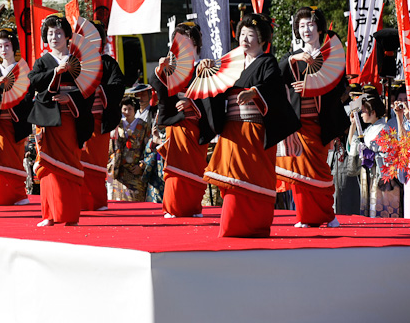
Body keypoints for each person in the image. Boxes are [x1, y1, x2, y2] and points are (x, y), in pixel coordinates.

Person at [202, 14, 300, 237]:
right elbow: (216, 88)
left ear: (262, 39)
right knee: (232, 181)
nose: (245, 39)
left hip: (254, 130)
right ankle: (231, 225)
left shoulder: (267, 62)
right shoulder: (231, 62)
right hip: (232, 130)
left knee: (253, 177)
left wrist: (255, 92)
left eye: (252, 35)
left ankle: (255, 224)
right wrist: (207, 71)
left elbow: (274, 88)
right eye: (243, 34)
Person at [275, 7, 349, 228]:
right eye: (301, 26)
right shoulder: (292, 56)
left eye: (310, 24)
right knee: (299, 171)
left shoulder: (330, 56)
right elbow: (277, 78)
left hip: (321, 121)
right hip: (298, 124)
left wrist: (314, 87)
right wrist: (293, 59)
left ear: (319, 28)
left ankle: (327, 214)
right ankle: (305, 217)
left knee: (320, 168)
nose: (306, 29)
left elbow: (340, 88)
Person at [28, 14, 95, 226]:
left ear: (67, 36)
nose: (54, 37)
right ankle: (49, 214)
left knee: (69, 166)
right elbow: (33, 82)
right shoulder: (42, 62)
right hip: (48, 120)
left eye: (58, 33)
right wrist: (54, 72)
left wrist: (71, 98)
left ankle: (69, 215)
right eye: (50, 34)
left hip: (71, 120)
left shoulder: (79, 61)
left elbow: (89, 90)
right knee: (48, 166)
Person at [150, 23, 216, 217]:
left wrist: (192, 103)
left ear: (195, 43)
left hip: (196, 124)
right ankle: (172, 207)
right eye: (177, 41)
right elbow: (159, 91)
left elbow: (213, 97)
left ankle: (194, 206)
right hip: (177, 124)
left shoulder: (205, 66)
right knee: (174, 168)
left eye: (185, 40)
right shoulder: (173, 66)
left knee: (194, 169)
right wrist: (161, 70)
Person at [0, 29, 33, 206]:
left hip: (15, 122)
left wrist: (9, 104)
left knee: (15, 159)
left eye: (7, 45)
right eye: (0, 46)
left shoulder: (22, 70)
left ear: (14, 48)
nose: (4, 49)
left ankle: (19, 195)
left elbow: (27, 95)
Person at [80, 21, 125, 211]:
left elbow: (118, 84)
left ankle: (97, 201)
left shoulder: (107, 62)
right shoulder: (75, 62)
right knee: (78, 161)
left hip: (98, 121)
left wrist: (100, 90)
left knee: (95, 163)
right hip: (77, 120)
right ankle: (80, 201)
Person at [347, 91, 401, 218]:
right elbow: (352, 147)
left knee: (380, 207)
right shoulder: (370, 129)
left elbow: (390, 154)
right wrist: (353, 125)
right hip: (370, 174)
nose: (362, 114)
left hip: (380, 174)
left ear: (373, 112)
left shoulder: (384, 128)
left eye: (364, 111)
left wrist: (372, 154)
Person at [108, 97, 150, 201]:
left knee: (136, 200)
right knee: (119, 201)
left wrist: (142, 165)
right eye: (124, 109)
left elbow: (148, 148)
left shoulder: (143, 126)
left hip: (135, 170)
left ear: (135, 110)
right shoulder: (117, 126)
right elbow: (110, 148)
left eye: (130, 109)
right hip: (119, 171)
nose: (127, 112)